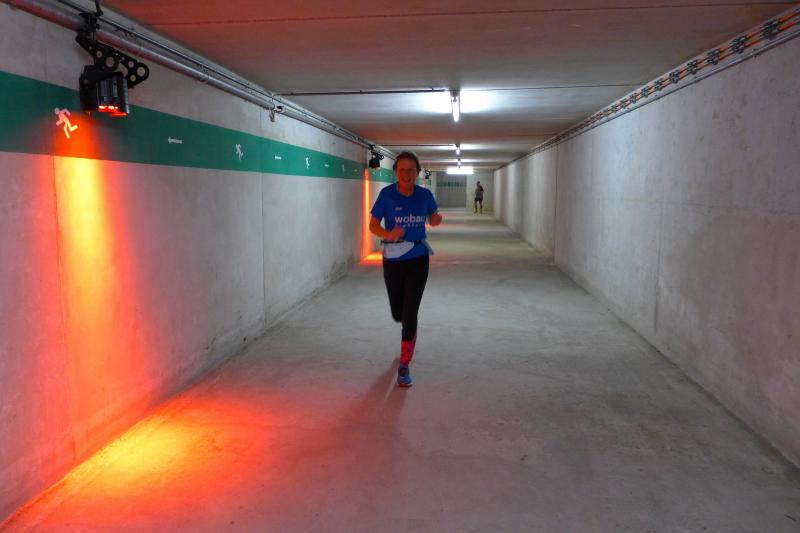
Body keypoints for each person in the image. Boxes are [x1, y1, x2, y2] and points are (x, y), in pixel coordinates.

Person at [369, 151, 442, 387]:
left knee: (410, 313)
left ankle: (404, 364)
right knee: (398, 313)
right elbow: (373, 225)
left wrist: (435, 220)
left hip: (418, 258)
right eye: (402, 169)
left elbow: (432, 216)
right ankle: (405, 327)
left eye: (411, 169)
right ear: (395, 172)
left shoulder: (424, 195)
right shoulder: (387, 195)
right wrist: (388, 233)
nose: (406, 174)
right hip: (393, 258)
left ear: (417, 172)